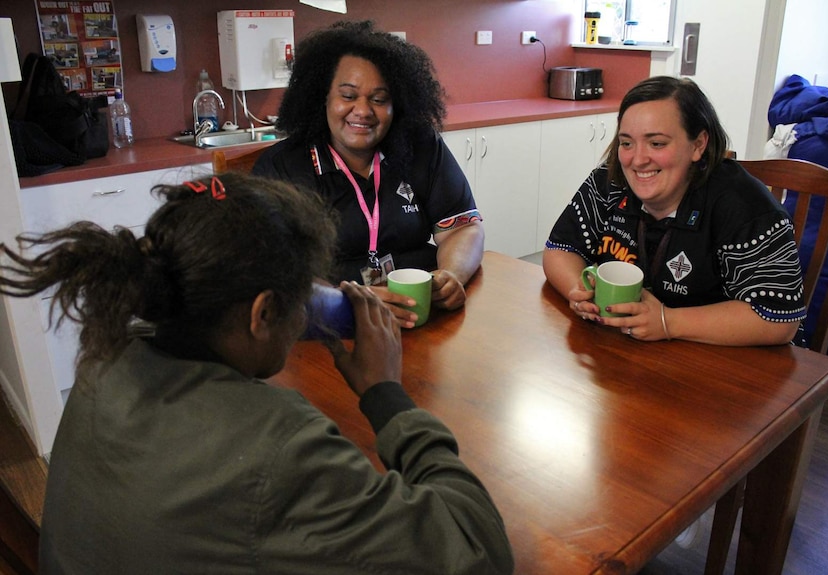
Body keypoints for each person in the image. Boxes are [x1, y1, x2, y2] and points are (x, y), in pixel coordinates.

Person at [0, 172, 513, 574]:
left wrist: (319, 306)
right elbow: (476, 551)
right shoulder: (281, 448)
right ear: (262, 313)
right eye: (299, 294)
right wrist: (385, 394)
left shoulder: (105, 359)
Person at [253, 21, 484, 327]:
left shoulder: (421, 146)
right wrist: (345, 305)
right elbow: (273, 270)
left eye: (379, 99)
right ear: (323, 96)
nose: (363, 111)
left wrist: (452, 275)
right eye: (348, 96)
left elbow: (462, 228)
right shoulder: (282, 167)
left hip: (423, 317)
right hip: (329, 330)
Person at [543, 76, 805, 346]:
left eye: (656, 143)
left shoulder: (747, 206)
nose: (638, 159)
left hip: (724, 364)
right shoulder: (609, 183)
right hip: (627, 354)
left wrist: (668, 322)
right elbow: (560, 247)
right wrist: (579, 291)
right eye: (627, 143)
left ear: (698, 145)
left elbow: (779, 319)